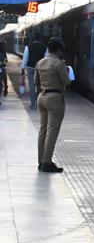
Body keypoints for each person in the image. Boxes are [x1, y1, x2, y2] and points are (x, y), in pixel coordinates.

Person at [34, 37, 71, 173]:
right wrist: (66, 70)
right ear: (58, 50)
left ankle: (40, 161)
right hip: (55, 98)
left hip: (41, 97)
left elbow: (35, 81)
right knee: (52, 131)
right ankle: (47, 162)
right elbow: (67, 82)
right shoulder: (58, 63)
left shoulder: (40, 62)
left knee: (43, 130)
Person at [21, 37, 46, 109]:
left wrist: (22, 69)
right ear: (41, 39)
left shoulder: (28, 47)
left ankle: (32, 104)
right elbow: (46, 58)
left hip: (30, 68)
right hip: (40, 69)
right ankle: (38, 103)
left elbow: (25, 58)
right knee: (39, 86)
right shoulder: (45, 48)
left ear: (33, 39)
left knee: (32, 86)